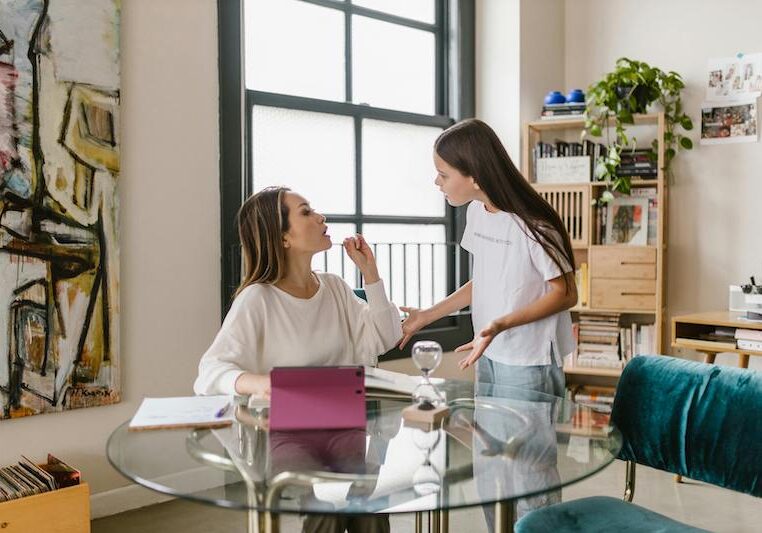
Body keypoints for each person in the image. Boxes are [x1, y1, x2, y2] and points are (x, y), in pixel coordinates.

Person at [399, 119, 577, 398]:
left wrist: (499, 324)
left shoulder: (534, 224)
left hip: (529, 358)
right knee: (489, 441)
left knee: (524, 442)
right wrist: (428, 315)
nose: (437, 182)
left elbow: (566, 294)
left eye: (443, 175)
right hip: (488, 347)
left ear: (475, 176)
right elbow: (485, 281)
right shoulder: (478, 212)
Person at [194, 186, 402, 398]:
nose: (320, 217)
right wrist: (262, 385)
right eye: (305, 212)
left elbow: (385, 337)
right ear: (283, 237)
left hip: (346, 421)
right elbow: (210, 373)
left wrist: (370, 273)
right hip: (284, 427)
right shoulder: (258, 298)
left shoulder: (334, 287)